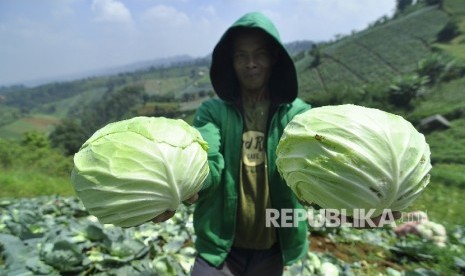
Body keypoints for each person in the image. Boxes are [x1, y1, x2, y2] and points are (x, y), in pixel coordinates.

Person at [154, 12, 310, 275]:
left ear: (274, 59)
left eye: (259, 54)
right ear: (231, 62)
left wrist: (348, 201)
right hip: (221, 247)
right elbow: (207, 159)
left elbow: (312, 167)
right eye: (241, 55)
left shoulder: (295, 115)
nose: (250, 63)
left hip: (275, 246)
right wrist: (188, 186)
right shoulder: (213, 112)